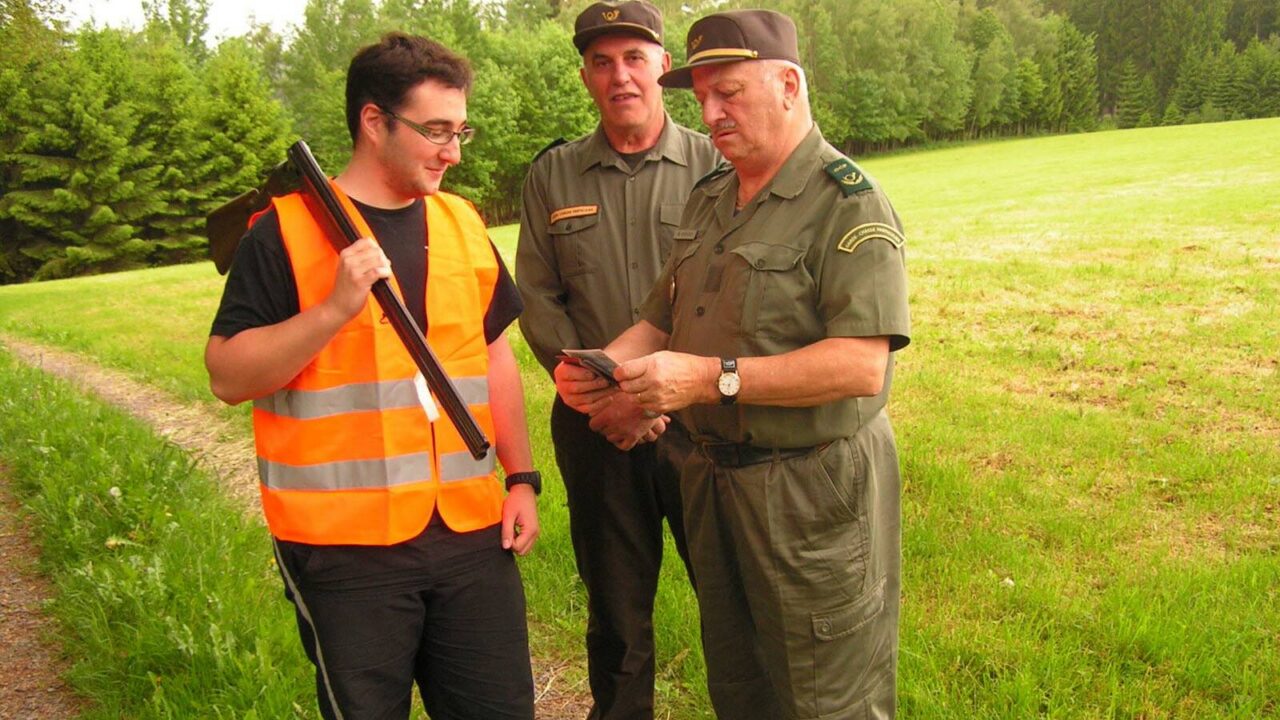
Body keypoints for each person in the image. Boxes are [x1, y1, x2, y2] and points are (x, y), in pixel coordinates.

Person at [554, 10, 911, 720]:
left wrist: (710, 379)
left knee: (825, 697)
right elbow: (661, 318)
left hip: (813, 495)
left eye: (730, 94)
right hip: (716, 487)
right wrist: (600, 368)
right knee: (742, 689)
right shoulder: (713, 196)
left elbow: (859, 365)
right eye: (702, 98)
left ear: (787, 85)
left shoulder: (847, 202)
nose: (710, 115)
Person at [205, 32, 540, 720]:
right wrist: (332, 309)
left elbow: (493, 355)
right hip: (344, 549)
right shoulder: (287, 231)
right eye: (436, 131)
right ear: (374, 121)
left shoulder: (462, 221)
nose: (453, 151)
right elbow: (228, 375)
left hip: (471, 532)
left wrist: (522, 478)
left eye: (460, 130)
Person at [515, 2, 721, 717]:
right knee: (617, 611)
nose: (620, 76)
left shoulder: (716, 161)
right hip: (594, 425)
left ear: (663, 66)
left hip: (701, 424)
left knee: (729, 601)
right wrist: (600, 397)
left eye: (635, 58)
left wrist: (658, 392)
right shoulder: (552, 175)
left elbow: (730, 291)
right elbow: (538, 298)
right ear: (584, 76)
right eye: (602, 62)